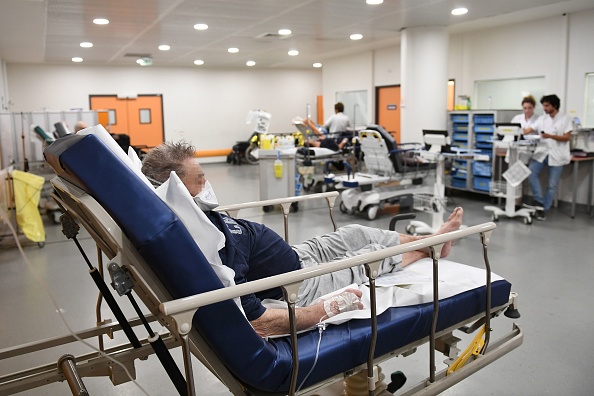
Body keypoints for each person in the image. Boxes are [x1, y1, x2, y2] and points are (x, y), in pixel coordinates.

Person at [141, 141, 464, 337]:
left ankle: (433, 240)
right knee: (372, 255)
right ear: (177, 191)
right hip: (298, 284)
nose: (208, 183)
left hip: (294, 256)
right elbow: (257, 319)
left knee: (354, 232)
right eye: (201, 179)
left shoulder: (194, 216)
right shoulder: (208, 247)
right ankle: (430, 250)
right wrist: (321, 310)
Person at [522, 94, 572, 220]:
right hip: (542, 152)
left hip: (557, 154)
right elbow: (527, 131)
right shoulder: (542, 119)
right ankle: (539, 201)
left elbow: (566, 137)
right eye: (544, 105)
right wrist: (510, 129)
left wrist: (550, 136)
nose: (544, 108)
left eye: (547, 105)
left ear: (554, 105)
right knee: (530, 172)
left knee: (551, 184)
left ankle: (544, 209)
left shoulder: (565, 118)